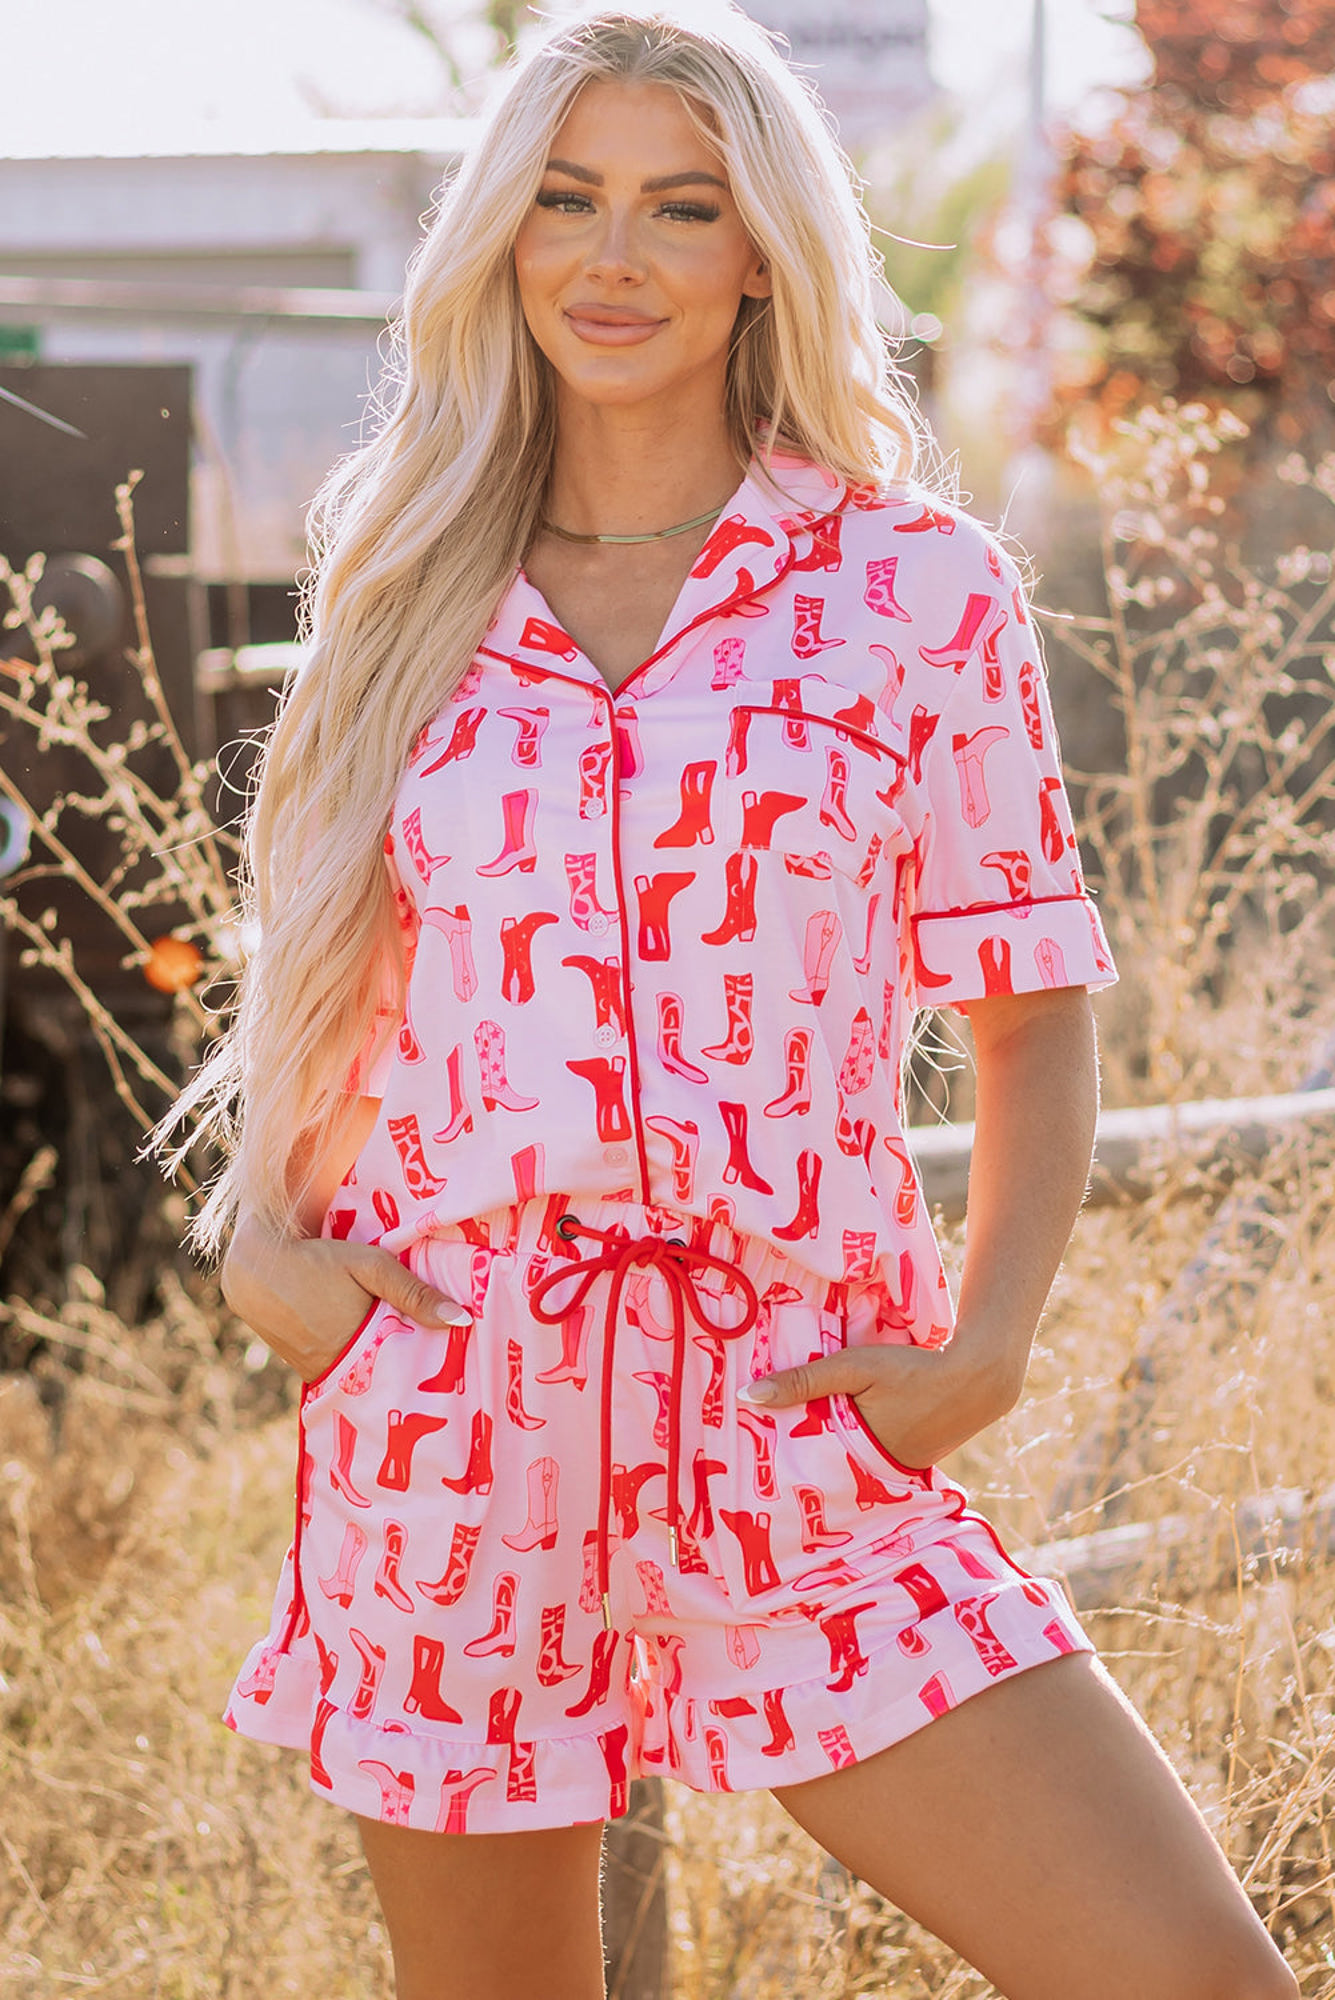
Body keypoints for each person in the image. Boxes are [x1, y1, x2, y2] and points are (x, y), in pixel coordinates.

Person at [176, 5, 1298, 1996]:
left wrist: (987, 1341)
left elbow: (1032, 999)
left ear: (763, 251)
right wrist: (269, 1237)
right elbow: (331, 957)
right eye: (564, 200)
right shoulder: (404, 577)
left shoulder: (912, 591)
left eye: (679, 208)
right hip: (455, 1410)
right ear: (501, 236)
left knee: (1187, 1975)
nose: (610, 259)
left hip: (795, 1404)